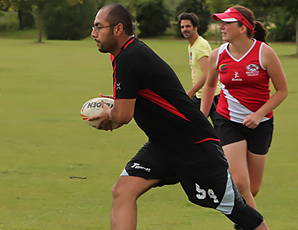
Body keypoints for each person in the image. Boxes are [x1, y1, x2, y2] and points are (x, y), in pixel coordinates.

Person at [90, 3, 269, 230]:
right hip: (163, 145)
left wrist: (109, 114)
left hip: (194, 146)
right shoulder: (124, 54)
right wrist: (118, 104)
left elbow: (123, 116)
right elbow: (139, 99)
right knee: (123, 190)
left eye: (98, 27)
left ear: (117, 29)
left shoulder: (129, 56)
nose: (94, 33)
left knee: (237, 210)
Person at [200, 5, 288, 229]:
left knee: (252, 188)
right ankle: (260, 227)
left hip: (261, 123)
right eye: (221, 22)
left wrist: (258, 115)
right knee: (239, 183)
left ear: (243, 27)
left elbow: (282, 90)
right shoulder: (217, 55)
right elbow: (210, 85)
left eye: (227, 22)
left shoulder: (264, 53)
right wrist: (201, 117)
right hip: (227, 120)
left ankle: (243, 224)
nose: (221, 26)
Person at [178, 13, 220, 122]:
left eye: (188, 26)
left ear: (195, 27)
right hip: (200, 95)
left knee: (220, 128)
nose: (184, 29)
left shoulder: (201, 46)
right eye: (182, 27)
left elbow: (207, 73)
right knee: (191, 124)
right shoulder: (192, 45)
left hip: (212, 95)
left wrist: (191, 92)